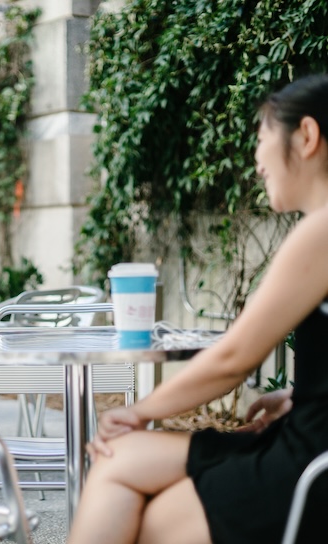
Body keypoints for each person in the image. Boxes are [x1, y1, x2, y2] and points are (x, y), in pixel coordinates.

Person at [68, 74, 328, 544]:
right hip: (305, 442)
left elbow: (234, 359)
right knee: (120, 464)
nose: (256, 158)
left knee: (134, 493)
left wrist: (140, 410)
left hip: (309, 467)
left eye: (263, 136)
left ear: (307, 136)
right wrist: (296, 398)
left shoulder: (322, 230)